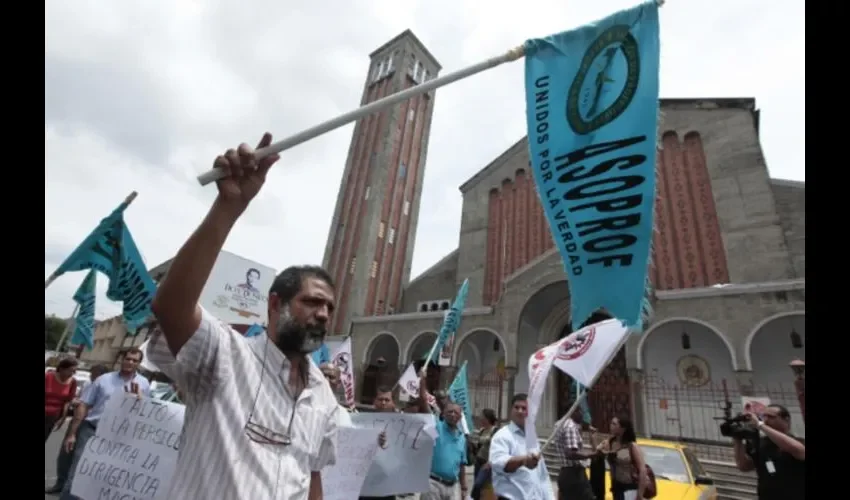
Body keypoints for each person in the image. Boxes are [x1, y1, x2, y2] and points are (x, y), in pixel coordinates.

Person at [148, 133, 339, 500]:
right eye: (312, 302)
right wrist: (229, 206)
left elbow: (312, 476)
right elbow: (170, 306)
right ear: (274, 304)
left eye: (329, 307)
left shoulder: (323, 397)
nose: (322, 314)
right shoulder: (224, 355)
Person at [59, 350, 150, 500]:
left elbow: (145, 412)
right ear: (122, 359)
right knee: (78, 471)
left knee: (103, 477)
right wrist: (72, 434)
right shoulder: (103, 379)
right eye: (128, 359)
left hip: (119, 437)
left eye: (135, 360)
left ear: (139, 364)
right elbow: (84, 406)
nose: (131, 362)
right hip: (91, 431)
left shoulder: (144, 384)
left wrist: (139, 400)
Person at [46, 364, 108, 495]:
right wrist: (76, 401)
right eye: (91, 372)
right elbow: (78, 398)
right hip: (76, 421)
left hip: (89, 424)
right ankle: (60, 483)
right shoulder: (88, 385)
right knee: (65, 454)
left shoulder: (104, 386)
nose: (92, 375)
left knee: (79, 458)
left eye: (94, 373)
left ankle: (71, 490)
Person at [489, 394, 554, 500]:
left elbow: (542, 476)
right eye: (516, 407)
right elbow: (498, 463)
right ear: (511, 410)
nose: (520, 411)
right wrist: (523, 461)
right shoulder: (502, 436)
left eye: (524, 408)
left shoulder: (533, 439)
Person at [732, 404, 805, 500]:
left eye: (770, 417)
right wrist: (737, 439)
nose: (765, 420)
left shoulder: (798, 442)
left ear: (786, 419)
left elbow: (798, 450)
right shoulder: (761, 443)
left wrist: (760, 425)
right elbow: (744, 466)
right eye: (764, 416)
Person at [598, 415, 648, 500]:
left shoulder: (632, 446)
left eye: (614, 424)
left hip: (629, 488)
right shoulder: (610, 443)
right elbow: (598, 452)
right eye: (611, 423)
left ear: (623, 428)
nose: (611, 426)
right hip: (616, 487)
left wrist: (640, 494)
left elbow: (642, 470)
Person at [553, 410, 597, 500]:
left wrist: (587, 427)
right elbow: (570, 453)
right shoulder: (570, 427)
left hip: (565, 472)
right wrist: (591, 455)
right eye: (581, 412)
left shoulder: (559, 424)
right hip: (574, 473)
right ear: (574, 411)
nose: (582, 415)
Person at [45, 358, 78, 442]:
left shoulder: (73, 382)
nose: (71, 374)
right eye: (70, 371)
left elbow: (68, 401)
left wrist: (62, 418)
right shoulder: (48, 376)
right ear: (61, 368)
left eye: (74, 372)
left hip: (52, 416)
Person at [469, 408, 499, 500]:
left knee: (479, 484)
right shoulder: (482, 431)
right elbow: (477, 444)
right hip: (478, 461)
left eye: (482, 417)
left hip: (488, 463)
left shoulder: (495, 431)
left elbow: (497, 448)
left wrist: (491, 461)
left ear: (488, 419)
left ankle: (472, 497)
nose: (480, 419)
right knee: (479, 486)